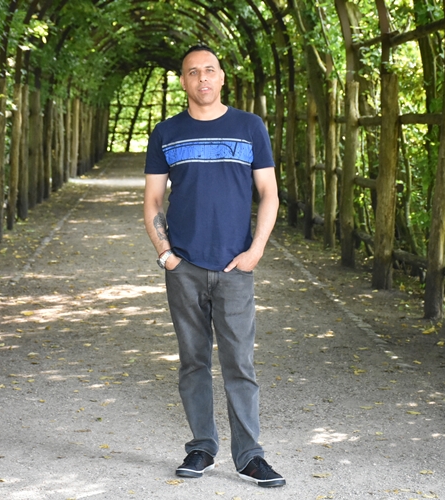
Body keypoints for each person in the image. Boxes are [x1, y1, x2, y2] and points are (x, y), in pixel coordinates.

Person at [142, 44, 285, 488]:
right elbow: (153, 200)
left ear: (222, 77)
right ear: (182, 81)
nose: (202, 78)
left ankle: (250, 456)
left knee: (240, 362)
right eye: (192, 72)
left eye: (209, 70)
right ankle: (201, 447)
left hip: (235, 266)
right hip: (183, 266)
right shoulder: (166, 133)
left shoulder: (249, 127)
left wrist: (256, 250)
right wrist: (165, 254)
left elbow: (269, 193)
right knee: (193, 361)